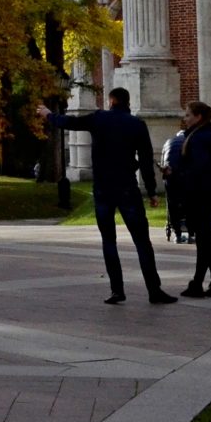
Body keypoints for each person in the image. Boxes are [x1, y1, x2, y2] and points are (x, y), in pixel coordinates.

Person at [53, 87, 177, 305]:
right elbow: (147, 161)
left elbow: (70, 122)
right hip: (127, 187)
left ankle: (117, 290)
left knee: (108, 240)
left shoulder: (99, 119)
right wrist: (151, 191)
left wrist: (48, 115)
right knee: (142, 241)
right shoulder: (137, 125)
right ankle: (153, 289)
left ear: (111, 101)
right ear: (127, 102)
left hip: (103, 188)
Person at [170, 102, 211, 298]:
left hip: (203, 195)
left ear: (198, 117)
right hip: (209, 193)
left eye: (188, 115)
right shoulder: (202, 135)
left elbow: (198, 170)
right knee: (207, 240)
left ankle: (200, 283)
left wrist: (177, 174)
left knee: (205, 241)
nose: (185, 118)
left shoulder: (200, 138)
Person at [162, 121, 190, 244]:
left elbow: (163, 160)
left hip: (170, 175)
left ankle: (177, 234)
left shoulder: (169, 142)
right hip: (185, 176)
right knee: (190, 202)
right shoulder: (188, 142)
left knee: (172, 203)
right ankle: (191, 232)